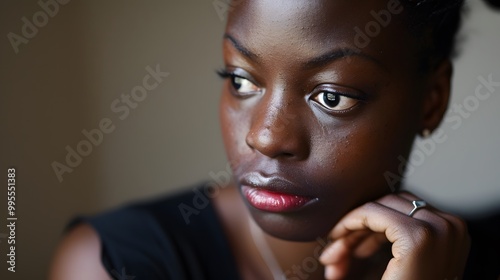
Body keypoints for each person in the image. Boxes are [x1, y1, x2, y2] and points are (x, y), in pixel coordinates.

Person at [49, 0, 500, 279]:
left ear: (432, 100)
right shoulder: (115, 264)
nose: (265, 137)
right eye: (242, 80)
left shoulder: (477, 260)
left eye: (331, 95)